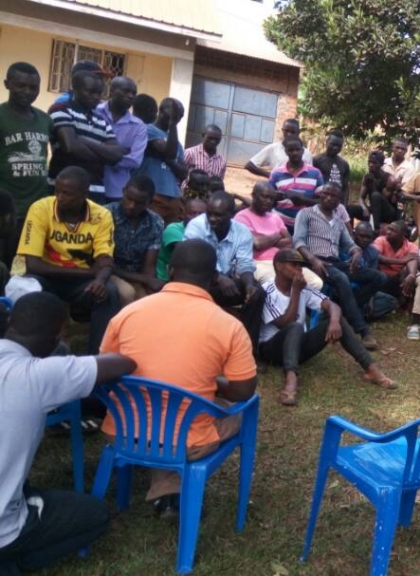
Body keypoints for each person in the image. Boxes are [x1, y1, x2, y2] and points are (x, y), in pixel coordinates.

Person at [98, 239, 256, 516]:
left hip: (123, 432)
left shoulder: (127, 313)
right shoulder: (229, 325)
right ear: (212, 277)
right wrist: (210, 383)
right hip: (189, 441)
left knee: (167, 406)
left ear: (170, 270)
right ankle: (172, 487)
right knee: (244, 409)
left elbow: (105, 371)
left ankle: (167, 488)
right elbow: (243, 391)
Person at [0, 292, 136, 574]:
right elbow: (124, 364)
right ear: (56, 338)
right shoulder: (43, 375)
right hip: (4, 529)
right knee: (94, 515)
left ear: (11, 321)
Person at [260, 249, 394, 405]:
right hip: (272, 350)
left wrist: (335, 321)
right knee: (295, 327)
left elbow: (332, 305)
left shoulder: (303, 287)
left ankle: (371, 369)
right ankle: (291, 382)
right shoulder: (267, 291)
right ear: (279, 266)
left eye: (301, 266)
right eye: (294, 265)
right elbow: (284, 324)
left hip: (297, 348)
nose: (299, 269)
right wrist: (296, 292)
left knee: (338, 320)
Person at [11, 166, 119, 354]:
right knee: (26, 287)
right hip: (46, 276)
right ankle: (25, 354)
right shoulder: (41, 208)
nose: (60, 197)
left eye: (67, 194)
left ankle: (96, 357)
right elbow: (33, 264)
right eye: (57, 191)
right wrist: (89, 273)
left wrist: (100, 280)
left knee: (108, 293)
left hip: (79, 283)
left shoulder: (101, 215)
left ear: (84, 194)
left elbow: (105, 259)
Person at [293, 182, 380, 350]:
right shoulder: (306, 214)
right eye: (326, 193)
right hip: (314, 262)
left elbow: (349, 243)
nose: (329, 198)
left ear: (339, 201)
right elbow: (297, 241)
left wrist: (356, 252)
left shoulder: (338, 221)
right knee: (341, 279)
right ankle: (363, 331)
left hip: (335, 263)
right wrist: (313, 260)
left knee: (378, 277)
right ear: (320, 194)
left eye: (334, 196)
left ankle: (345, 309)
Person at [184, 192, 267, 356]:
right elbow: (194, 261)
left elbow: (244, 263)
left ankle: (247, 352)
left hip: (223, 284)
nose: (212, 218)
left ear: (231, 214)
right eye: (210, 213)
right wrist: (218, 277)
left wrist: (249, 284)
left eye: (218, 215)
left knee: (257, 294)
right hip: (196, 281)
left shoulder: (242, 232)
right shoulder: (196, 226)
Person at [48, 70, 126, 202]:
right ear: (75, 89)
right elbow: (70, 147)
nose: (96, 97)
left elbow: (116, 156)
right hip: (63, 191)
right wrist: (102, 157)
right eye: (90, 92)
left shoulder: (102, 121)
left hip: (95, 192)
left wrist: (83, 141)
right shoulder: (61, 110)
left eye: (99, 93)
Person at [233, 181, 322, 289]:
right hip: (257, 262)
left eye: (271, 198)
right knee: (278, 284)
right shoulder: (242, 217)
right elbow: (257, 244)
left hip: (282, 261)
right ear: (254, 196)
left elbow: (289, 242)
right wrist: (277, 235)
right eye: (265, 197)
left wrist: (267, 241)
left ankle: (297, 305)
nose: (268, 201)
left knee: (316, 283)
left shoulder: (274, 217)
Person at [0, 62, 52, 229]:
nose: (27, 92)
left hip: (37, 209)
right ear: (7, 84)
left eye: (33, 87)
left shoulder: (45, 120)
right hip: (5, 209)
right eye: (21, 86)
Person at [105, 175, 164, 304]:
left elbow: (149, 265)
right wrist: (145, 279)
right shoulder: (106, 214)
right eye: (129, 199)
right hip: (108, 272)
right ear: (123, 191)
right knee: (127, 294)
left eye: (139, 203)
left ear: (149, 202)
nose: (131, 205)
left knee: (150, 302)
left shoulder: (156, 222)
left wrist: (149, 285)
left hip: (137, 277)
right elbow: (104, 262)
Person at [95, 76, 146, 202]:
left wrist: (95, 152)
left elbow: (134, 161)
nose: (131, 96)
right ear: (112, 91)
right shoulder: (94, 111)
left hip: (116, 191)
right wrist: (116, 153)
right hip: (89, 183)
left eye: (134, 93)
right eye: (126, 91)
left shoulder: (138, 126)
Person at [136, 97, 187, 224]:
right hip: (153, 196)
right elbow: (169, 152)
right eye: (174, 113)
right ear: (161, 110)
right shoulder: (147, 130)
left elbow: (184, 173)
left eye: (180, 116)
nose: (177, 117)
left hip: (173, 196)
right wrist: (173, 125)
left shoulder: (177, 143)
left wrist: (170, 162)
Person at [269, 137, 324, 230]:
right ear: (286, 152)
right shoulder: (276, 174)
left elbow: (322, 202)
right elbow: (268, 198)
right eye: (290, 150)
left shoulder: (315, 173)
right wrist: (274, 197)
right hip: (280, 224)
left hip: (306, 224)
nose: (294, 153)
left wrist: (304, 201)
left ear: (303, 151)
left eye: (297, 149)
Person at [345, 222, 395, 320]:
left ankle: (359, 313)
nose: (365, 240)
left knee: (391, 301)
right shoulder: (345, 247)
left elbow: (373, 280)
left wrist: (370, 301)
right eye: (362, 236)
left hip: (365, 290)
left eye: (368, 237)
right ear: (354, 234)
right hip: (347, 287)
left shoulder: (373, 252)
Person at [156, 196, 206, 282]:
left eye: (201, 214)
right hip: (166, 279)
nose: (196, 218)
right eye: (192, 213)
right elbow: (190, 256)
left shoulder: (208, 232)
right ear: (183, 214)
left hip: (192, 277)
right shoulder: (173, 229)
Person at [245, 118, 312, 178]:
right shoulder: (273, 149)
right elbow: (249, 165)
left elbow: (310, 174)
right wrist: (270, 175)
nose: (289, 134)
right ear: (282, 130)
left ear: (298, 132)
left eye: (292, 132)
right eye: (286, 131)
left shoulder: (306, 153)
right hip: (277, 190)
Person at [312, 130, 351, 205]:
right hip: (321, 202)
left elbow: (345, 188)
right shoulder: (316, 160)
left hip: (338, 203)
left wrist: (345, 205)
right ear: (326, 142)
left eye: (339, 146)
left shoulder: (344, 164)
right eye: (333, 144)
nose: (335, 148)